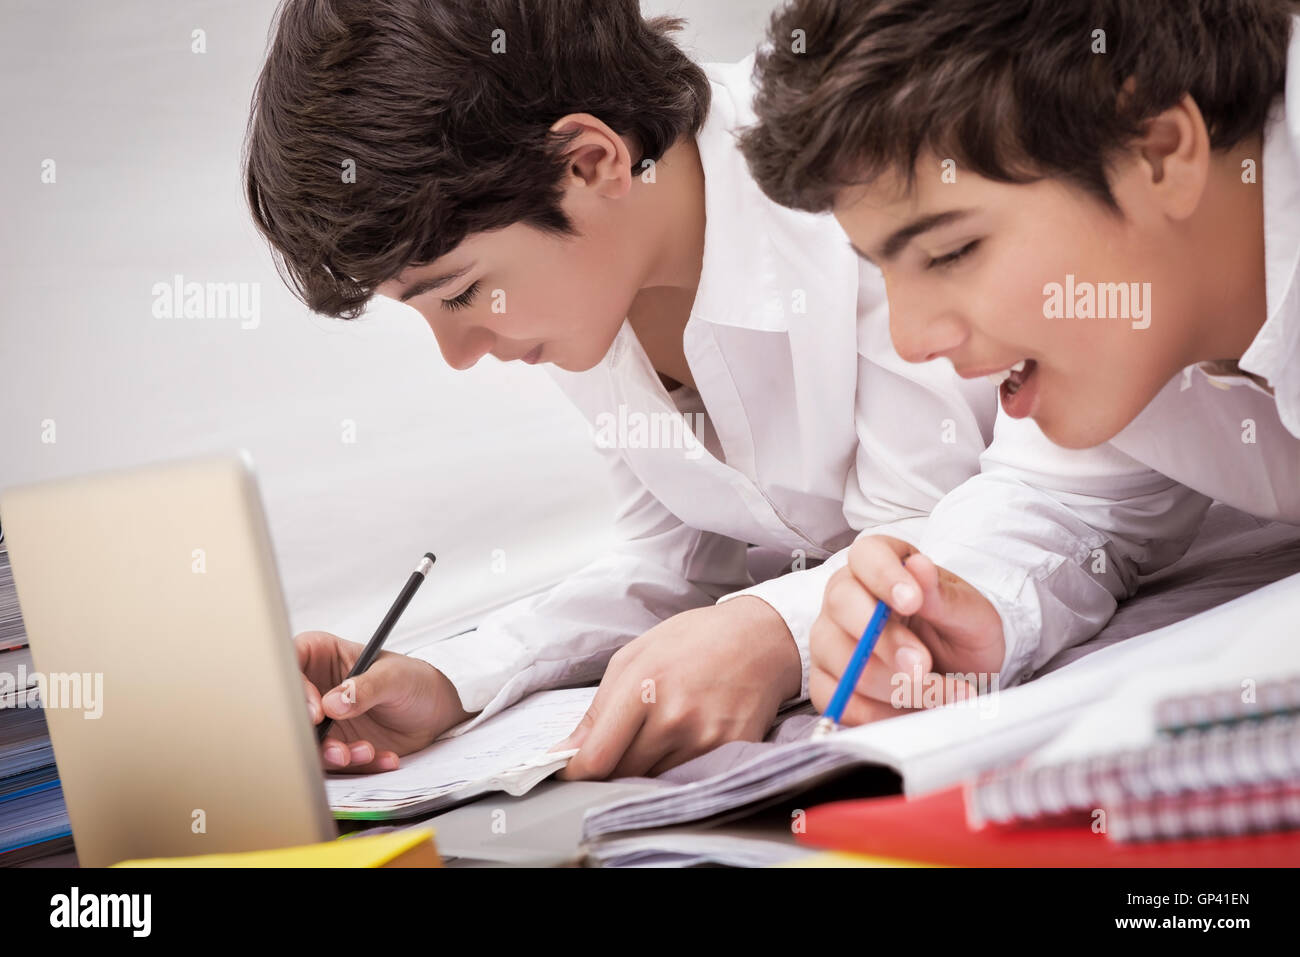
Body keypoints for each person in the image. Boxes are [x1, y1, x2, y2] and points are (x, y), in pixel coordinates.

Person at [244, 0, 1202, 775]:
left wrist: (766, 631)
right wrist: (451, 677)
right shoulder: (591, 293)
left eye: (456, 293)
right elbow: (673, 562)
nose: (460, 351)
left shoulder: (850, 173)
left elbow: (952, 523)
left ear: (591, 161)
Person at [741, 0, 1300, 721]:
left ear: (1159, 150)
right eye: (885, 268)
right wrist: (956, 616)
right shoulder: (1126, 329)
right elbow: (1060, 504)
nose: (913, 341)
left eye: (951, 252)